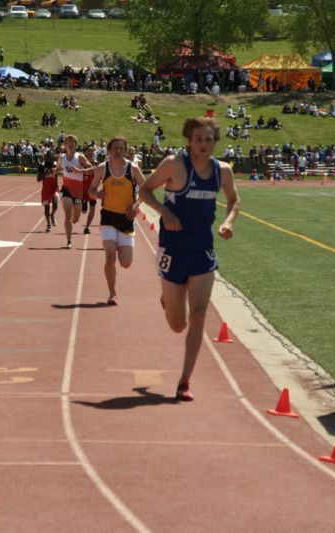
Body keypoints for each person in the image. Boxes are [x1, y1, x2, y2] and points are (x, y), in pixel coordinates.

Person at [138, 116, 240, 401]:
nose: (204, 145)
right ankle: (167, 299)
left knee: (198, 317)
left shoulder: (223, 171)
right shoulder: (174, 164)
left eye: (209, 140)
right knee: (177, 324)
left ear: (215, 142)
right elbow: (144, 190)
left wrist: (229, 222)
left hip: (202, 250)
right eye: (198, 139)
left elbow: (234, 200)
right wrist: (164, 211)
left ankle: (184, 381)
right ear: (189, 140)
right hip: (173, 249)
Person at [88, 137, 145, 305]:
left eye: (121, 148)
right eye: (115, 148)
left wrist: (136, 205)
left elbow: (145, 188)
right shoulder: (101, 169)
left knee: (126, 263)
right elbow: (91, 189)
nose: (118, 151)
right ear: (109, 150)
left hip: (126, 218)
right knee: (110, 257)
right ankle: (112, 293)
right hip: (108, 217)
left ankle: (121, 245)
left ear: (125, 150)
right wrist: (97, 194)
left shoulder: (132, 169)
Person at [57, 135, 94, 249]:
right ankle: (69, 241)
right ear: (65, 145)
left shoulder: (80, 157)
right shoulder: (62, 158)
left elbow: (92, 169)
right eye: (68, 142)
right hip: (66, 189)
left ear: (76, 145)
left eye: (72, 142)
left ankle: (74, 219)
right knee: (67, 215)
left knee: (76, 218)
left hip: (78, 191)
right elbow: (58, 169)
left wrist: (80, 171)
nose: (70, 144)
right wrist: (52, 171)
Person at [37, 151, 59, 232]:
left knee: (56, 204)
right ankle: (48, 224)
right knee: (46, 208)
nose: (50, 157)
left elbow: (61, 172)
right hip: (46, 190)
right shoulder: (42, 166)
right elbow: (38, 179)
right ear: (46, 157)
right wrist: (45, 173)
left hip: (54, 188)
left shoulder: (56, 164)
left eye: (52, 155)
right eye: (49, 155)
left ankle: (52, 215)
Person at [81, 144, 98, 235]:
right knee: (82, 211)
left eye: (92, 151)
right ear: (86, 152)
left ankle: (87, 227)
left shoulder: (96, 163)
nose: (91, 152)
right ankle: (74, 216)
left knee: (92, 210)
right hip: (82, 191)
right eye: (89, 151)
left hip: (92, 191)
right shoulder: (82, 163)